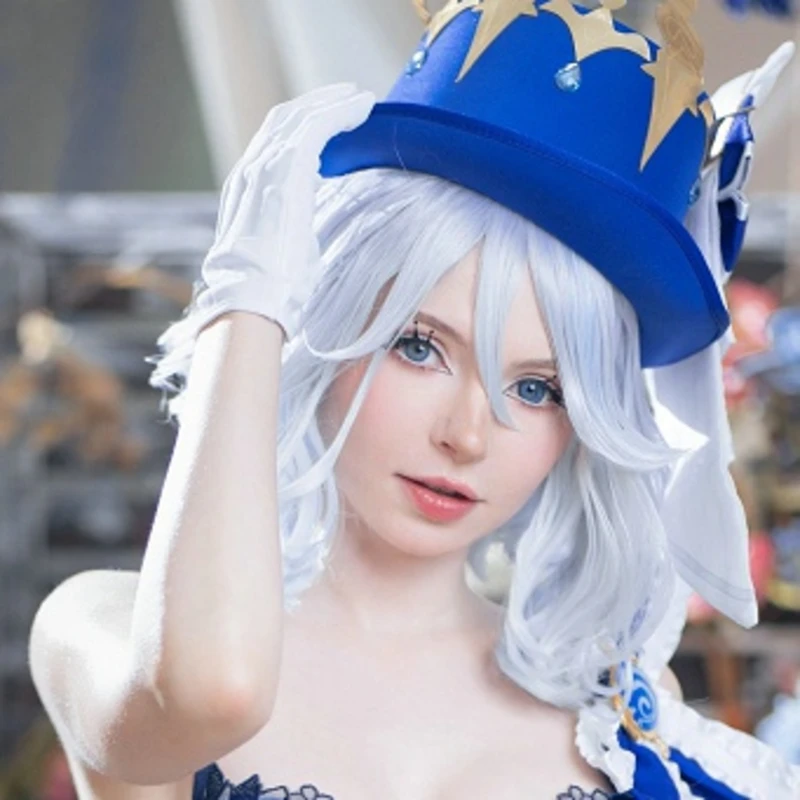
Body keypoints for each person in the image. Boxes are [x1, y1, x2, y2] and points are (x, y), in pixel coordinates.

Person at [28, 1, 800, 798]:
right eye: (420, 346)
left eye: (537, 388)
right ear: (322, 322)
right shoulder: (100, 630)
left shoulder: (623, 719)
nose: (468, 435)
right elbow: (211, 693)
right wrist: (245, 298)